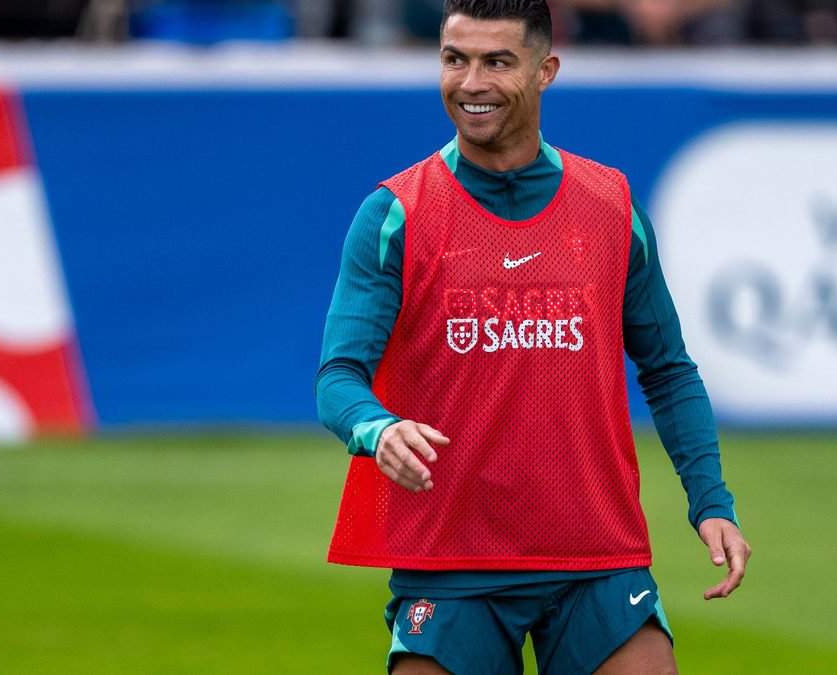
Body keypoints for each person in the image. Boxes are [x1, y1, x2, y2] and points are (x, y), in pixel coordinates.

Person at [314, 1, 750, 673]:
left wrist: (710, 500)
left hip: (595, 552)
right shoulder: (394, 213)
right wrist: (378, 428)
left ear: (545, 70)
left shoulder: (610, 205)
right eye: (455, 60)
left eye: (497, 62)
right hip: (450, 557)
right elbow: (338, 376)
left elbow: (667, 369)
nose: (471, 83)